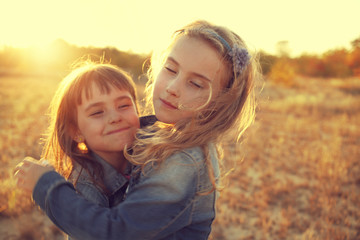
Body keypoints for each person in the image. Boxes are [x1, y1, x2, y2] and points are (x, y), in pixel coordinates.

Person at [14, 20, 260, 240]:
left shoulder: (185, 161)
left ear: (222, 102)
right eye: (171, 69)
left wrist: (45, 185)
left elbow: (117, 233)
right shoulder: (154, 136)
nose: (173, 87)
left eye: (195, 84)